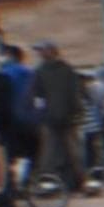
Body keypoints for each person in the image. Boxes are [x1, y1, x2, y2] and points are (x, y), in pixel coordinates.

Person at [30, 41, 85, 191]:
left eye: (42, 50)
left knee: (70, 152)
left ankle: (78, 182)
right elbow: (35, 95)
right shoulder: (41, 71)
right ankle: (50, 183)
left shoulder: (65, 70)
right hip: (51, 119)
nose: (40, 54)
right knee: (50, 153)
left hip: (65, 118)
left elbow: (74, 94)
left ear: (53, 51)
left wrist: (77, 113)